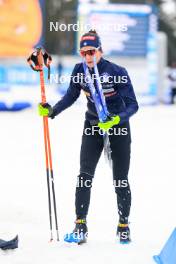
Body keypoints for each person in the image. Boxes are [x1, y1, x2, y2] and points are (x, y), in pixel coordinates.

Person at [39, 30, 139, 244]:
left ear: (100, 50)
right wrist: (52, 111)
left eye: (91, 51)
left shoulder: (116, 71)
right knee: (84, 175)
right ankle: (80, 226)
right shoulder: (79, 70)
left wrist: (116, 120)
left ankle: (123, 225)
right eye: (83, 53)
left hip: (117, 128)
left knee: (120, 179)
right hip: (92, 126)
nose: (88, 57)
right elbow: (70, 96)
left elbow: (133, 105)